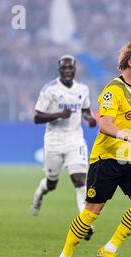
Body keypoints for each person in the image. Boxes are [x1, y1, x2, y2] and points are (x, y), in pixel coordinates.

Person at [54, 41, 131, 257]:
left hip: (129, 157)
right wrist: (129, 136)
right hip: (106, 157)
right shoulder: (113, 90)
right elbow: (105, 125)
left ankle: (109, 250)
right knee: (92, 211)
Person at [30, 55, 97, 240]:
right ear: (59, 70)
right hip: (54, 141)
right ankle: (39, 194)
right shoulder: (50, 90)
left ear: (75, 70)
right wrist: (59, 114)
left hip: (75, 140)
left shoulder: (82, 89)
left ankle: (85, 223)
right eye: (64, 69)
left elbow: (85, 110)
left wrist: (90, 119)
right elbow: (37, 117)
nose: (67, 71)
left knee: (80, 181)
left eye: (70, 68)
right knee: (52, 183)